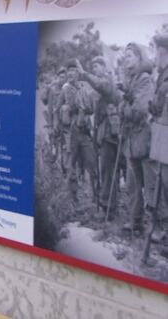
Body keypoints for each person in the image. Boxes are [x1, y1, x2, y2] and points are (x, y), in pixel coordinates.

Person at [119, 42, 156, 236]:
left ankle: (157, 227)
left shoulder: (144, 79)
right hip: (131, 141)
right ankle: (135, 222)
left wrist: (125, 108)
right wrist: (124, 106)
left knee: (151, 186)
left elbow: (140, 109)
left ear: (140, 58)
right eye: (125, 56)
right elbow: (120, 107)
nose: (126, 59)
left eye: (130, 56)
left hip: (144, 140)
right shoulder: (129, 80)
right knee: (133, 186)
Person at [77, 57, 121, 214]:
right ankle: (109, 205)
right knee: (107, 172)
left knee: (107, 172)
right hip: (103, 134)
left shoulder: (107, 81)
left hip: (110, 136)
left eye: (96, 66)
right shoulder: (99, 87)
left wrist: (85, 74)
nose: (94, 69)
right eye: (93, 67)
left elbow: (100, 85)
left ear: (103, 66)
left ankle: (107, 207)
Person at [58, 61, 97, 206]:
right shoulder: (64, 89)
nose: (71, 73)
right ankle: (73, 200)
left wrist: (84, 109)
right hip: (70, 134)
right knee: (71, 168)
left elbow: (92, 109)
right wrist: (65, 113)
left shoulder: (84, 88)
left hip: (85, 132)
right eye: (69, 71)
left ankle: (96, 199)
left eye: (74, 70)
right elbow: (57, 109)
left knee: (92, 165)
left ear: (78, 73)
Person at [147, 32, 168, 243]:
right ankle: (162, 228)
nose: (155, 58)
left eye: (157, 53)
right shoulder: (161, 76)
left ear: (163, 53)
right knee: (162, 181)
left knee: (166, 182)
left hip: (165, 135)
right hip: (162, 136)